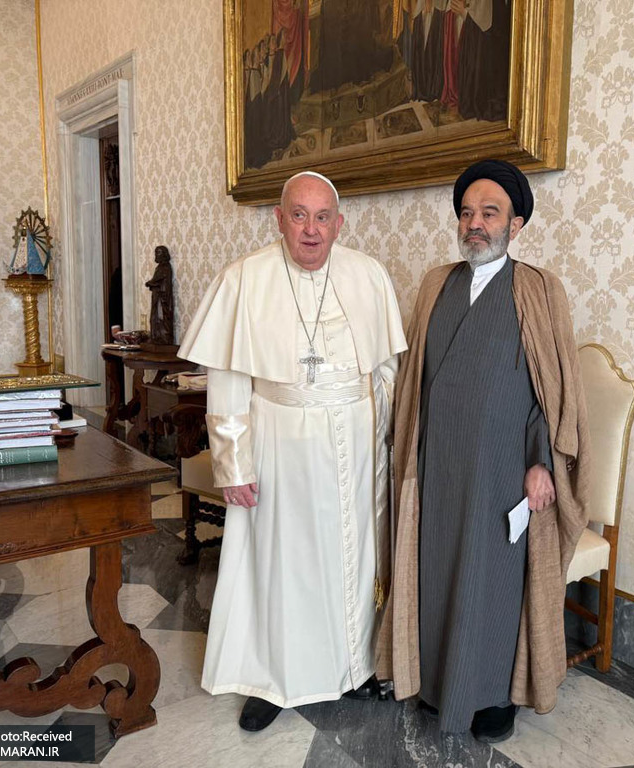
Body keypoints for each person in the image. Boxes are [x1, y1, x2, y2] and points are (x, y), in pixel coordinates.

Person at [179, 171, 407, 731]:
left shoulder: (368, 274)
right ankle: (273, 680)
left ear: (339, 224)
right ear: (279, 219)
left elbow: (387, 372)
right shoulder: (244, 279)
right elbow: (228, 381)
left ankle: (354, 666)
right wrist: (233, 463)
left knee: (353, 558)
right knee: (281, 564)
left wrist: (388, 448)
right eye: (299, 216)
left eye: (322, 217)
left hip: (355, 447)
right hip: (278, 443)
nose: (311, 229)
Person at [376, 159, 591, 743]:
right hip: (436, 464)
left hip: (502, 467)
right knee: (436, 572)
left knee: (492, 580)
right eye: (467, 213)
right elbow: (414, 378)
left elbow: (554, 389)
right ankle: (436, 684)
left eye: (489, 213)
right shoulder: (435, 283)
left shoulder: (540, 289)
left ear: (515, 224)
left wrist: (542, 462)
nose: (475, 223)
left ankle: (494, 695)